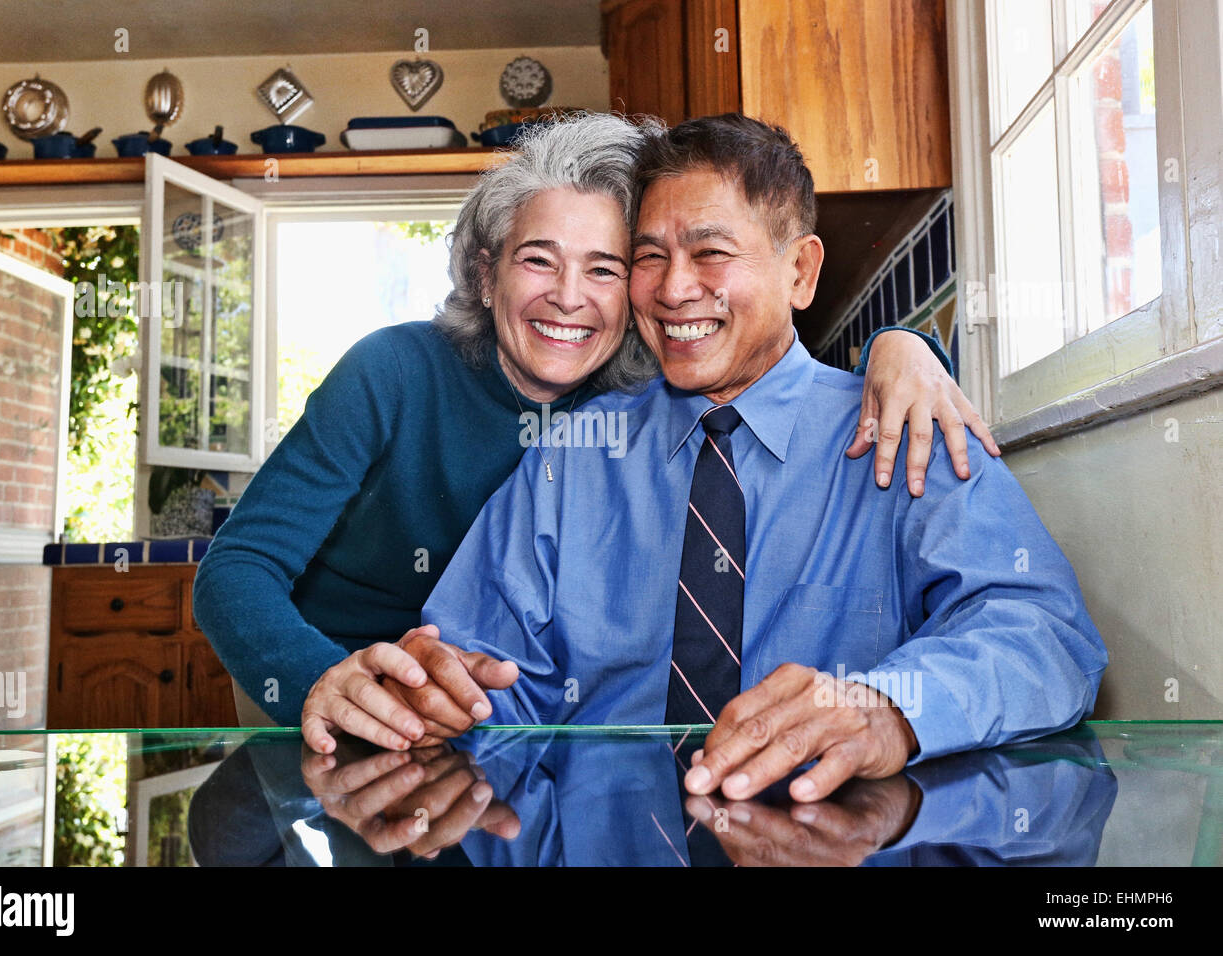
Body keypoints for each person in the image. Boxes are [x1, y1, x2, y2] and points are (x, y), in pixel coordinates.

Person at [192, 112, 997, 754]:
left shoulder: (645, 391)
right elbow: (238, 569)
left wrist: (908, 348)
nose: (569, 297)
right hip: (320, 669)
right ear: (486, 272)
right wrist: (316, 680)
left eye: (607, 267)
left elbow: (778, 369)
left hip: (471, 714)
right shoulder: (393, 372)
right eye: (539, 260)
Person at [412, 114, 1107, 804]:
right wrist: (426, 696)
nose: (674, 288)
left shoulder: (904, 425)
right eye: (649, 256)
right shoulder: (570, 458)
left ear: (800, 271)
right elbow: (478, 680)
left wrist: (887, 707)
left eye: (710, 252)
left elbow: (1044, 636)